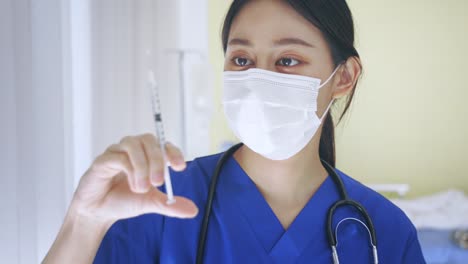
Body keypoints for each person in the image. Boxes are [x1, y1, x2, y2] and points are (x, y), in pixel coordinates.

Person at [44, 0, 426, 263]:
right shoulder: (161, 205)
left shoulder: (385, 231)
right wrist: (84, 218)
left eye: (288, 60)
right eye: (241, 59)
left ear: (343, 77)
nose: (259, 79)